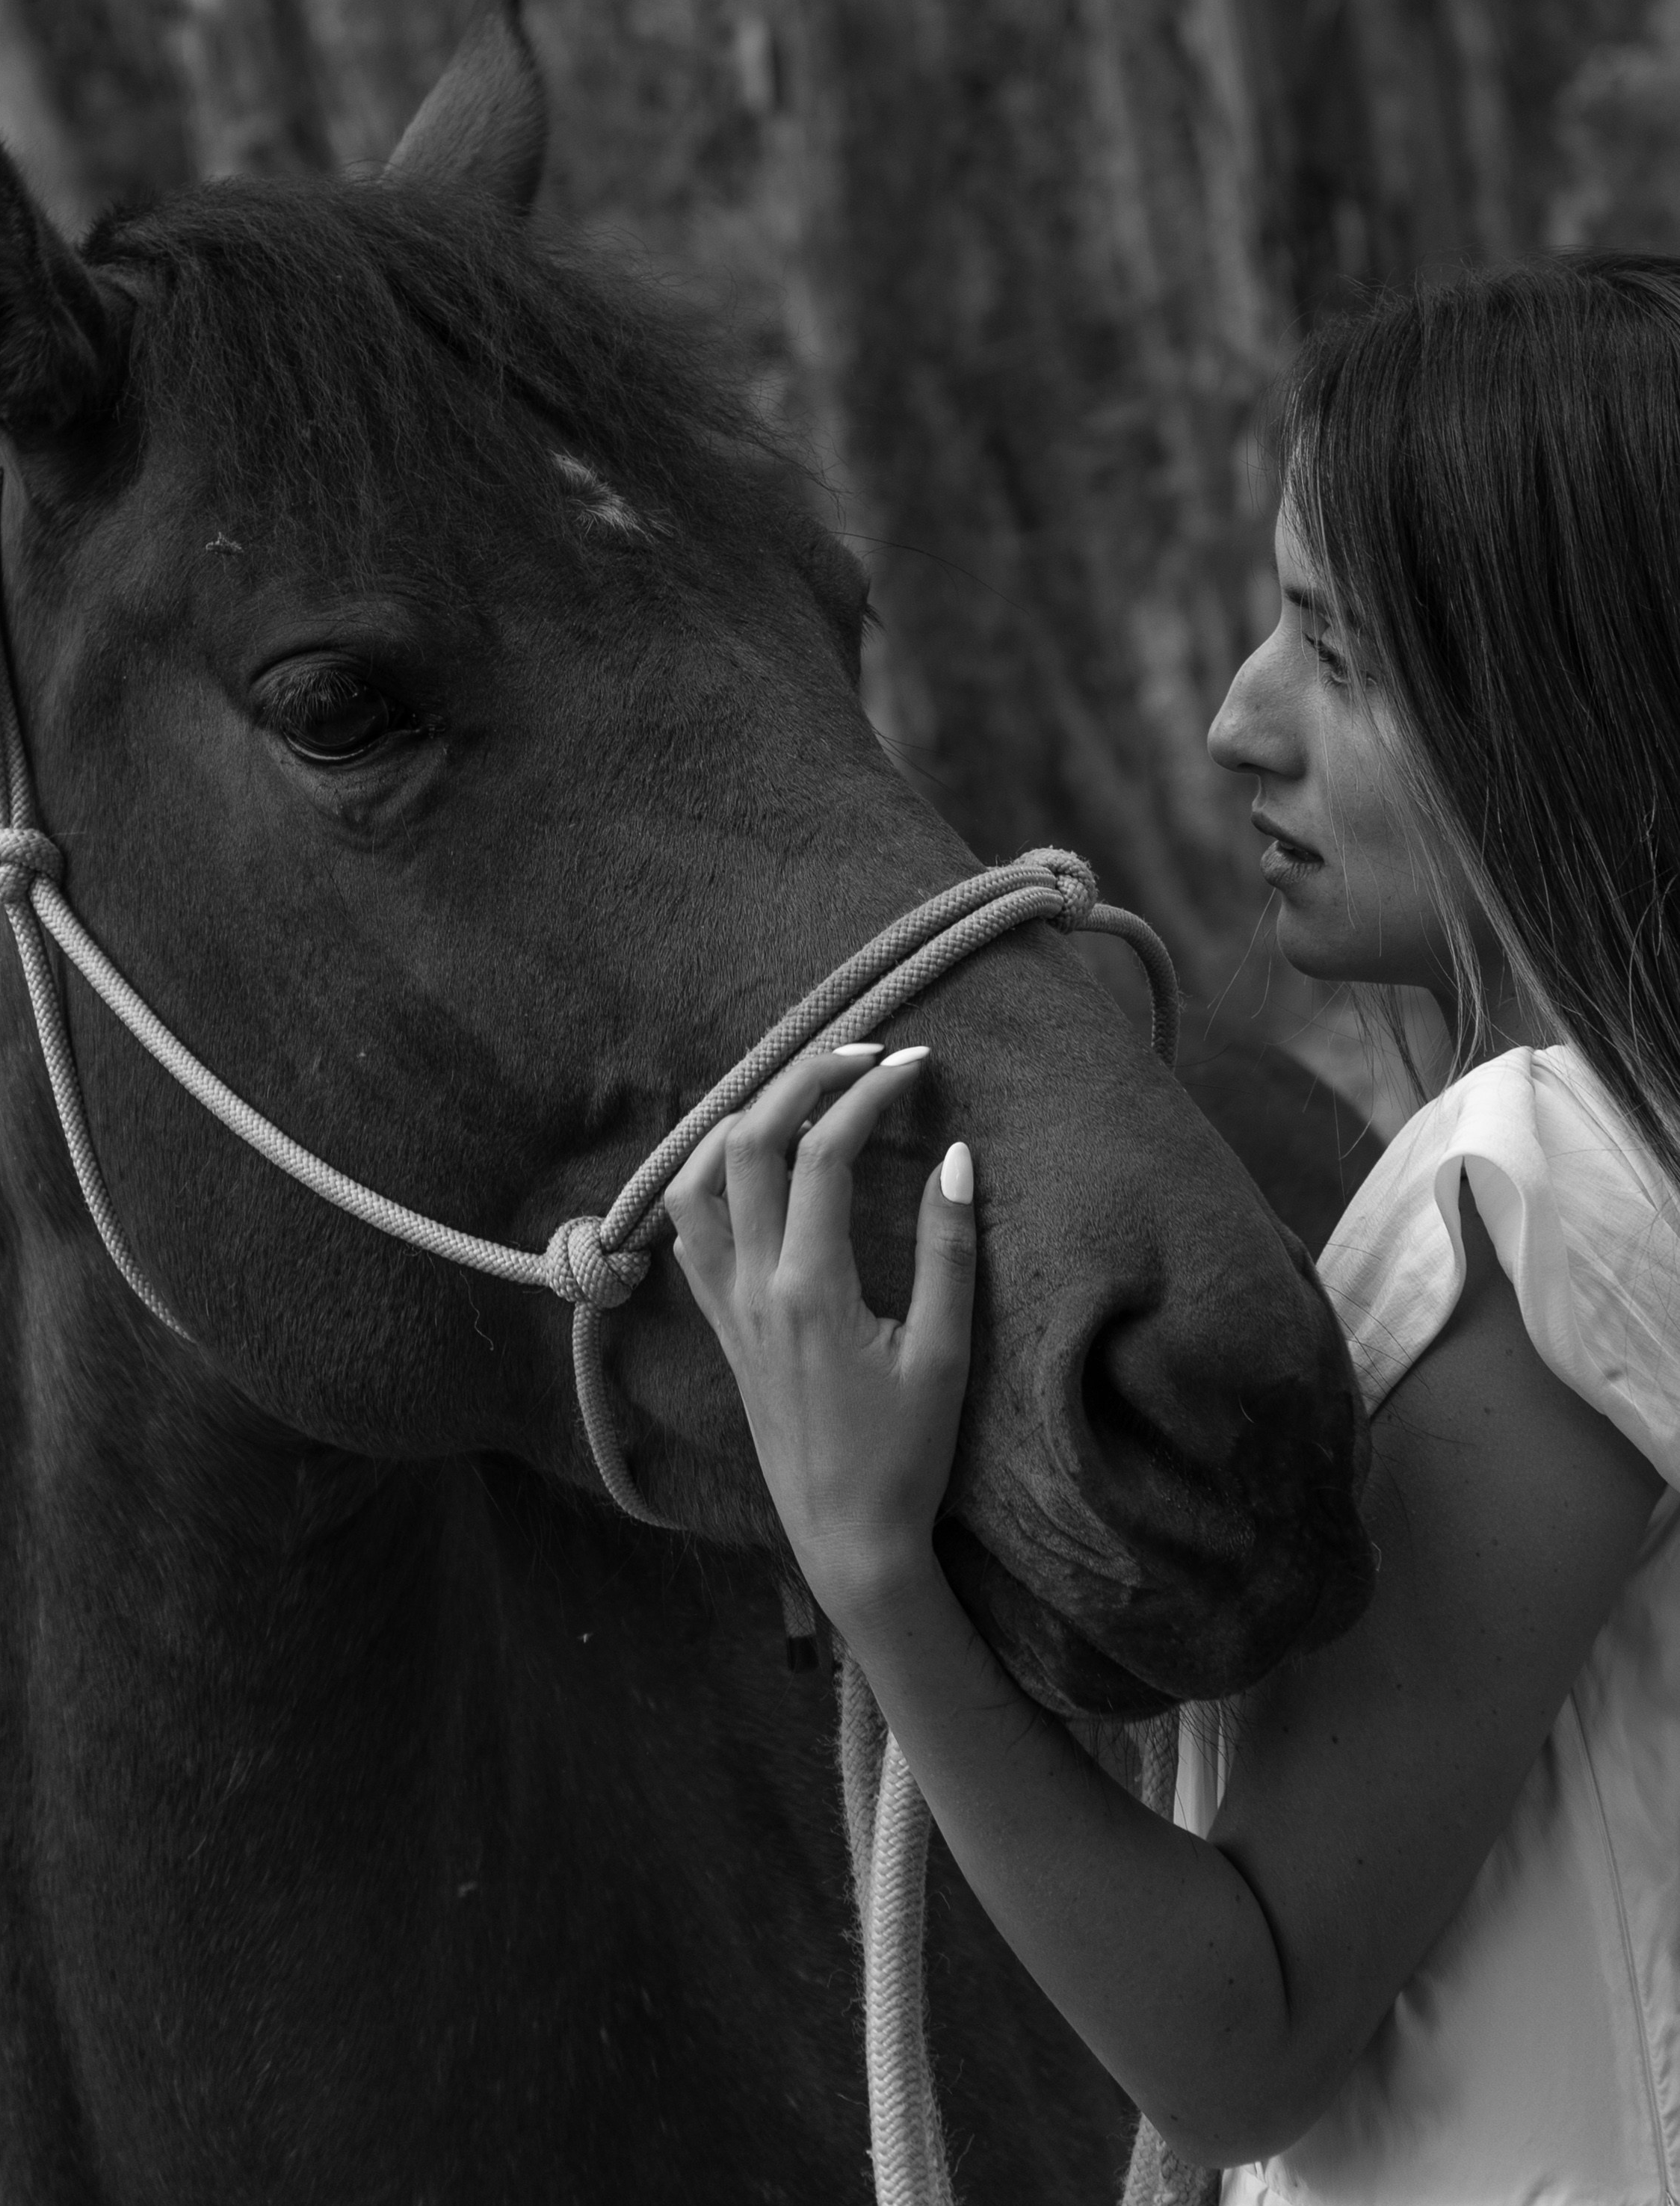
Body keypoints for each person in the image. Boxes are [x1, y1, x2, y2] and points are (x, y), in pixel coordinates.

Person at [665, 255, 1680, 2203]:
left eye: (1339, 651)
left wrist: (867, 1552)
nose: (1237, 721)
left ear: (1577, 693)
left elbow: (1238, 2039)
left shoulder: (1558, 1186)